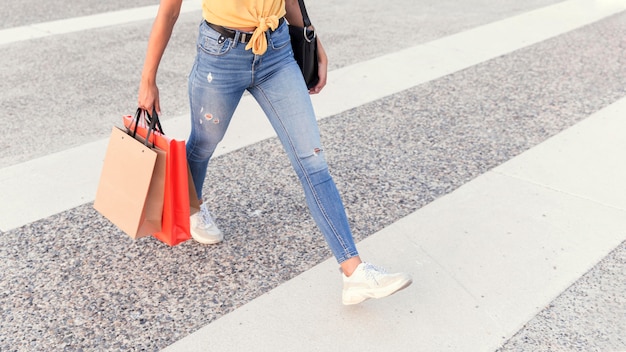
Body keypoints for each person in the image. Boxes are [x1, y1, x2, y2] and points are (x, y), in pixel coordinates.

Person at [138, 0, 412, 305]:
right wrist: (148, 80)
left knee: (313, 161)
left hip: (278, 54)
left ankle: (354, 272)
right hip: (221, 56)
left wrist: (312, 39)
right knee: (203, 144)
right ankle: (192, 207)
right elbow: (169, 11)